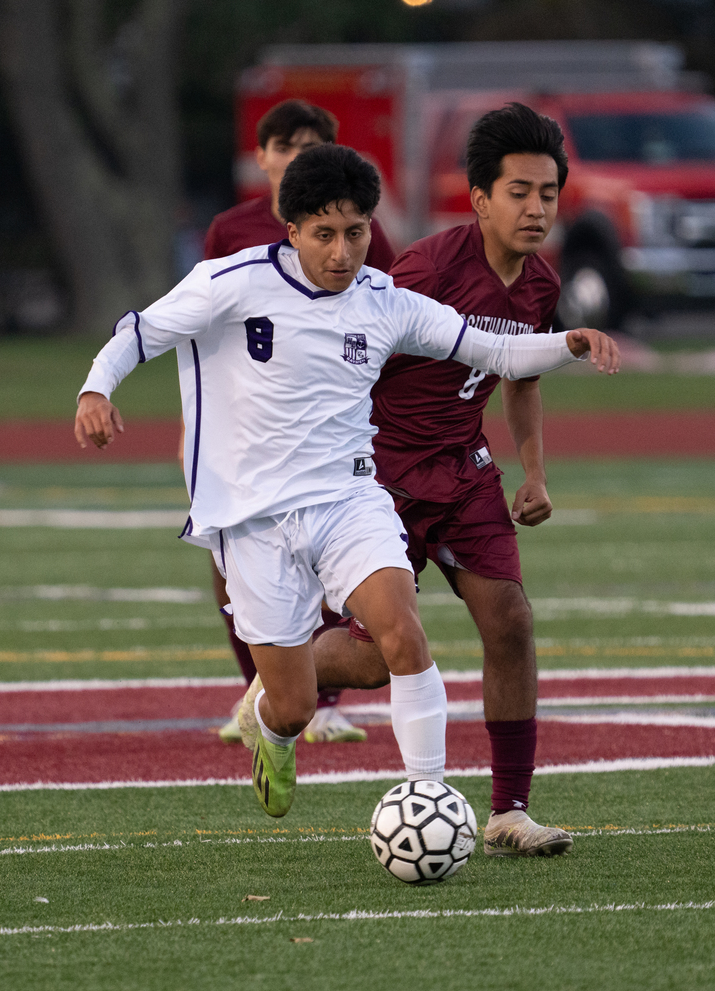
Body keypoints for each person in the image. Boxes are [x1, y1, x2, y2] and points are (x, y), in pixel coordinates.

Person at [75, 143, 620, 818]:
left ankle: (430, 797)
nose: (342, 253)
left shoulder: (385, 301)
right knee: (296, 701)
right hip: (252, 517)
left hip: (350, 499)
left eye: (356, 233)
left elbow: (494, 349)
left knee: (403, 636)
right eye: (325, 235)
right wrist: (96, 391)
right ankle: (274, 729)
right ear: (293, 230)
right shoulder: (234, 281)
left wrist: (568, 343)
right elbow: (140, 330)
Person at [310, 103, 576, 858]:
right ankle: (283, 677)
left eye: (548, 193)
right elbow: (351, 360)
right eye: (519, 191)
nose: (536, 208)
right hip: (382, 478)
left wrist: (535, 471)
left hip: (464, 472)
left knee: (512, 622)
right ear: (480, 198)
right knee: (371, 657)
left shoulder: (540, 283)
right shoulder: (426, 270)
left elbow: (522, 375)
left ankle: (508, 812)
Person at [203, 98, 396, 745]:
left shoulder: (362, 232)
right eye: (283, 146)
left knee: (333, 563)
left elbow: (389, 322)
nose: (295, 158)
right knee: (233, 561)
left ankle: (322, 696)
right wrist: (190, 429)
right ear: (260, 157)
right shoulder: (231, 230)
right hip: (240, 429)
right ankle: (259, 691)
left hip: (330, 434)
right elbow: (202, 337)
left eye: (310, 147)